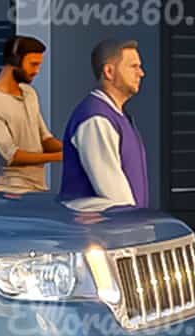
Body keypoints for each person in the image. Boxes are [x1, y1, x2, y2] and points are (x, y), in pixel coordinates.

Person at [59, 38, 149, 208]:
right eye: (133, 66)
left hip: (119, 229)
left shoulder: (116, 116)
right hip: (106, 232)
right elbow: (115, 194)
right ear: (109, 72)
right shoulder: (96, 119)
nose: (141, 73)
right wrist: (134, 226)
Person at [0, 35, 63, 194]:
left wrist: (74, 150)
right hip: (9, 190)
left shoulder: (29, 93)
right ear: (14, 62)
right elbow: (11, 157)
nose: (37, 71)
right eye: (33, 64)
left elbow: (45, 139)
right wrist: (59, 157)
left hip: (38, 187)